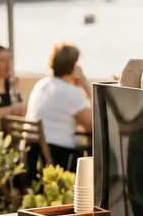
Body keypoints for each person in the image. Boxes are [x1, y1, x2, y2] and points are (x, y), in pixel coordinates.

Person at [24, 44, 93, 175]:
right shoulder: (71, 92)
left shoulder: (41, 84)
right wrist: (85, 87)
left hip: (33, 154)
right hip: (59, 158)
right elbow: (93, 125)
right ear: (74, 66)